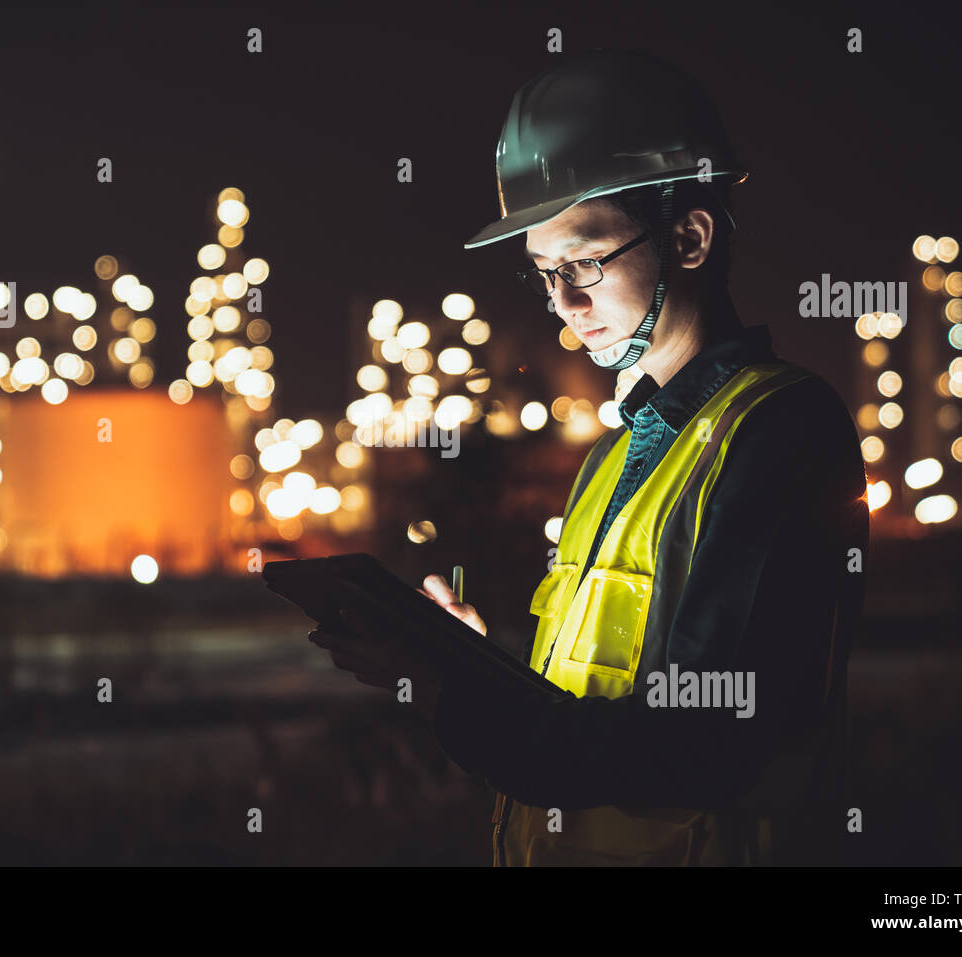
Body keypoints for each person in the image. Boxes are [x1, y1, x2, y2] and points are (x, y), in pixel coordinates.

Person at [310, 48, 869, 866]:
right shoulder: (610, 458)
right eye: (544, 272)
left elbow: (710, 739)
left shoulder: (782, 432)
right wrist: (469, 660)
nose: (563, 304)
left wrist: (455, 693)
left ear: (689, 235)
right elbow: (589, 708)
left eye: (585, 262)